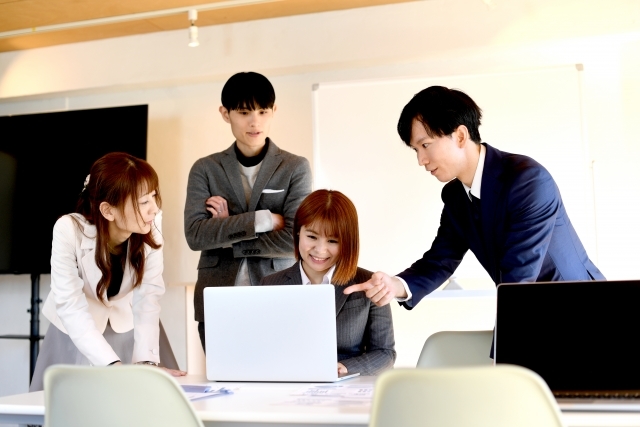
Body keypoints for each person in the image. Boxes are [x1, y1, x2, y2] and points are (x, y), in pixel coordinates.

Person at [344, 85, 605, 310]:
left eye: (425, 145)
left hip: (581, 308)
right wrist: (395, 285)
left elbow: (519, 277)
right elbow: (440, 260)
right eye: (416, 150)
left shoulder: (527, 180)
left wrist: (501, 348)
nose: (421, 160)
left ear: (460, 136)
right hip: (526, 309)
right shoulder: (455, 197)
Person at [30, 152, 185, 391]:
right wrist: (113, 365)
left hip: (129, 325)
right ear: (108, 210)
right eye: (143, 202)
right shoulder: (68, 229)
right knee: (73, 403)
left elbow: (148, 297)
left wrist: (146, 362)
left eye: (154, 196)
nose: (154, 209)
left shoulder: (151, 226)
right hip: (74, 331)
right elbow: (70, 304)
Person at [184, 71, 312, 350]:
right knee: (222, 374)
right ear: (225, 113)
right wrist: (263, 219)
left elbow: (294, 240)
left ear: (274, 111)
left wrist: (227, 229)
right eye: (244, 112)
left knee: (281, 372)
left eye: (263, 111)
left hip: (278, 294)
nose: (255, 122)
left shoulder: (295, 167)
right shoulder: (205, 169)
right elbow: (195, 236)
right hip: (217, 297)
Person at [260, 189, 396, 376]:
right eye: (312, 237)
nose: (320, 250)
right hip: (288, 382)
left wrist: (345, 368)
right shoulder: (269, 285)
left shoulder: (370, 284)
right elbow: (262, 349)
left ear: (347, 242)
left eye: (332, 241)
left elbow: (385, 353)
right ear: (298, 232)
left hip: (348, 384)